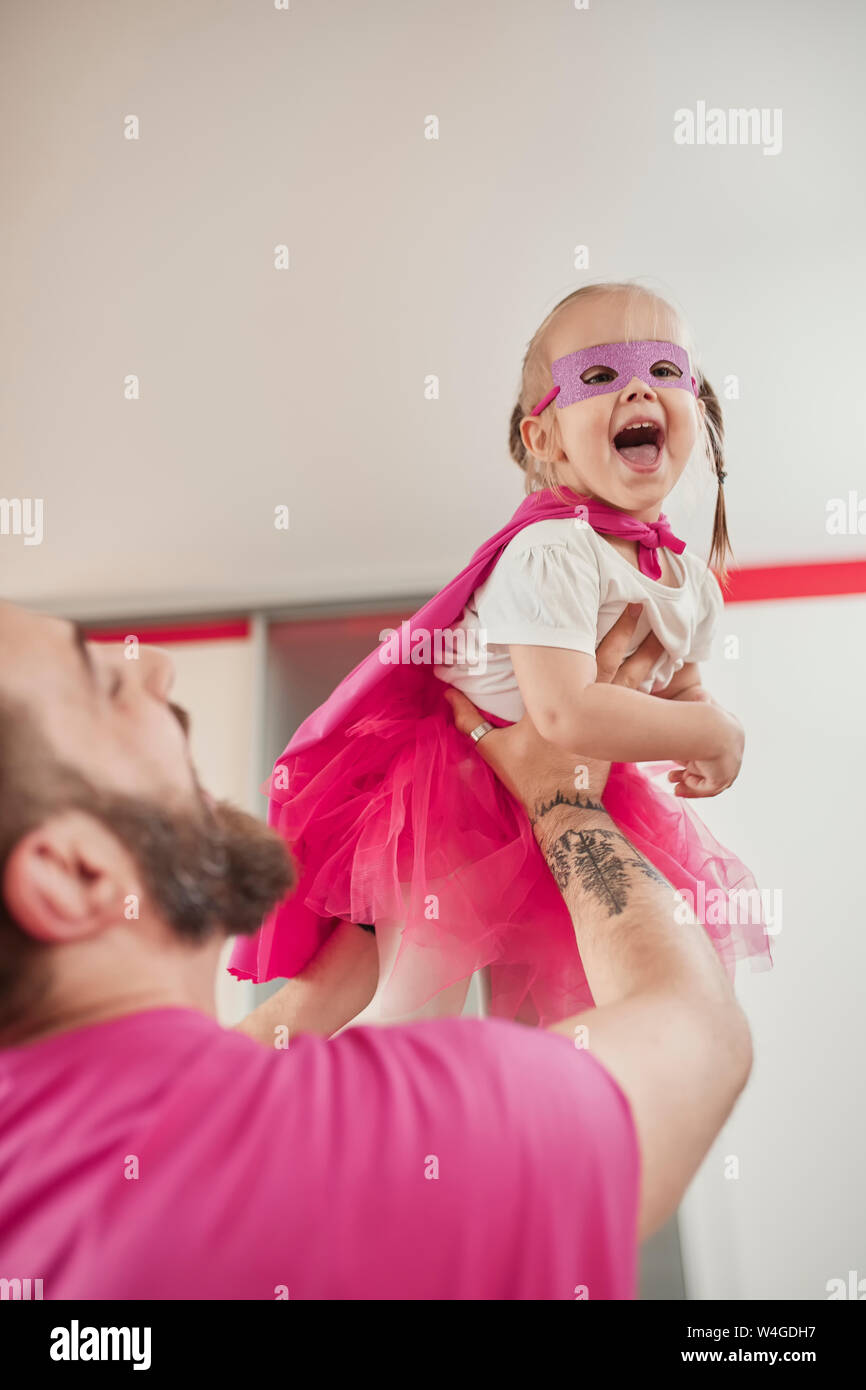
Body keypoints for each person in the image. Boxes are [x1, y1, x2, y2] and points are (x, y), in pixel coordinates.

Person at [0, 599, 751, 1300]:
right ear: (73, 873)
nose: (155, 667)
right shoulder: (360, 1148)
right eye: (104, 686)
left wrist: (311, 1002)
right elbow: (697, 1034)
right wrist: (565, 802)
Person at [228, 279, 772, 1030]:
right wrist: (720, 736)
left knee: (550, 1015)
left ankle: (506, 1132)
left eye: (666, 370)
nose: (639, 389)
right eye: (601, 375)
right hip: (453, 786)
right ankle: (283, 1109)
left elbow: (679, 688)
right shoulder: (553, 550)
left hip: (569, 787)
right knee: (412, 1001)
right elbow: (563, 709)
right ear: (545, 440)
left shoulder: (688, 581)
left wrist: (698, 723)